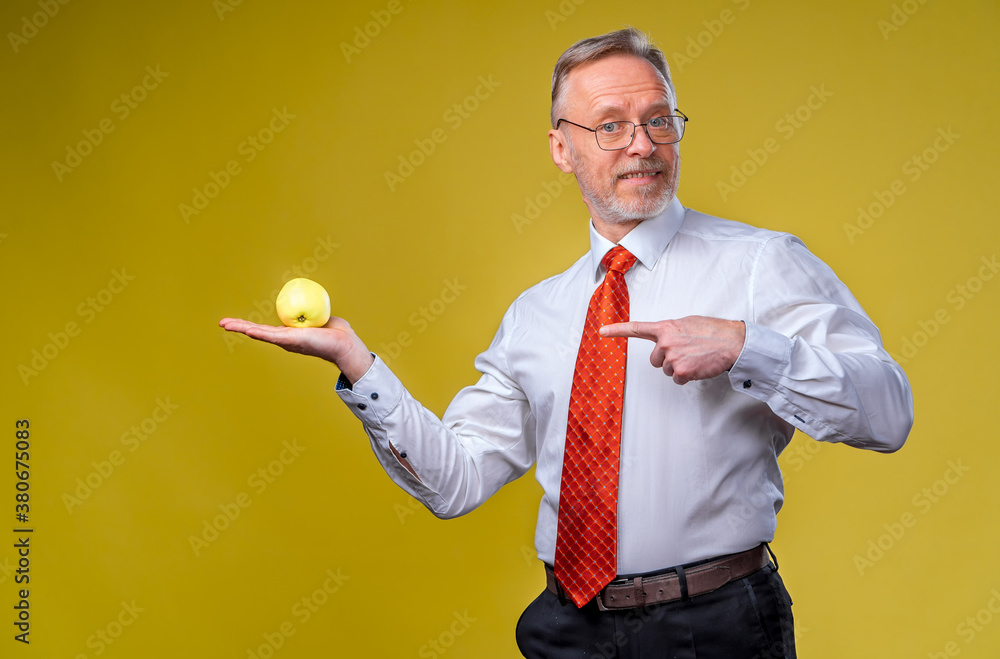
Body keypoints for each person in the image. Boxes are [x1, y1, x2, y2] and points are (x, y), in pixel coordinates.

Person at [220, 28, 913, 659]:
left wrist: (745, 345)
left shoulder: (762, 263)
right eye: (610, 126)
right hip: (566, 629)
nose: (642, 145)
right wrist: (357, 364)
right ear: (562, 147)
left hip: (715, 628)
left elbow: (887, 413)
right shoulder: (537, 314)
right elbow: (455, 480)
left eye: (658, 121)